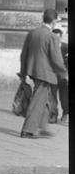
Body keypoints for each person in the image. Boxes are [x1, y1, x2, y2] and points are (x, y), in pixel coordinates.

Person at [19, 9, 69, 139]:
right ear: (53, 21)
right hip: (45, 74)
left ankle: (43, 127)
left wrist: (23, 72)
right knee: (37, 101)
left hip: (33, 72)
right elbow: (57, 59)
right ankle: (28, 130)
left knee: (45, 100)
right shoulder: (51, 36)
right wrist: (64, 74)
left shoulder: (33, 33)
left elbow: (24, 54)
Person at [52, 28, 68, 124]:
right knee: (52, 97)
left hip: (64, 77)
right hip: (52, 76)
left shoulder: (66, 47)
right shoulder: (50, 47)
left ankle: (65, 113)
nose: (56, 40)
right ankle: (53, 115)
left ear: (61, 37)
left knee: (64, 97)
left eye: (58, 37)